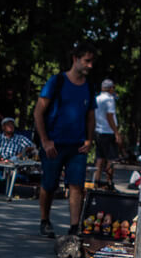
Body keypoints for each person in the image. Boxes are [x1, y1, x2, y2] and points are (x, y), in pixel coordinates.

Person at [33, 42, 97, 237]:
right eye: (86, 61)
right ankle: (45, 220)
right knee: (49, 184)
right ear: (75, 59)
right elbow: (38, 112)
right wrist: (45, 141)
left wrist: (89, 140)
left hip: (77, 146)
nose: (90, 66)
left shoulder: (89, 87)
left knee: (76, 184)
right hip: (54, 143)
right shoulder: (57, 81)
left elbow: (90, 116)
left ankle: (74, 227)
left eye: (92, 62)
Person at [93, 79, 122, 189]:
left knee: (100, 158)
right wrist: (116, 133)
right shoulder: (109, 99)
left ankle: (96, 181)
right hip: (108, 132)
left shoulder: (97, 99)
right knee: (111, 159)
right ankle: (109, 183)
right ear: (110, 88)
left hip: (98, 131)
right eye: (113, 88)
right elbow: (110, 116)